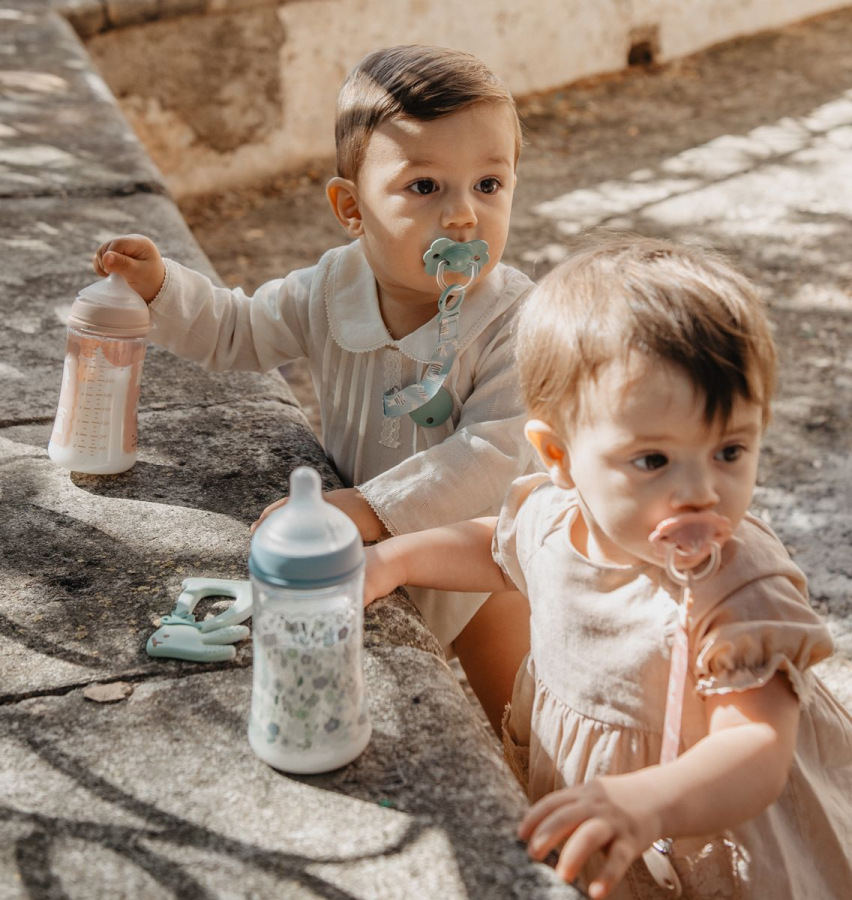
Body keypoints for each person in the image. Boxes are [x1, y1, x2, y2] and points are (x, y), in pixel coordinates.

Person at [363, 235, 852, 899]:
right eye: (653, 460)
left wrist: (648, 800)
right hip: (602, 815)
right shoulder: (554, 519)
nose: (700, 491)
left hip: (715, 831)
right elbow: (495, 548)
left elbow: (758, 745)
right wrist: (391, 560)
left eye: (730, 451)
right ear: (559, 458)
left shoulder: (738, 583)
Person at [92, 45, 534, 733]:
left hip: (483, 560)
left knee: (518, 716)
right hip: (365, 541)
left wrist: (367, 507)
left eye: (488, 184)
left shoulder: (515, 320)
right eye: (425, 186)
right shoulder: (331, 288)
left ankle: (554, 789)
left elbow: (494, 453)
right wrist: (161, 288)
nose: (463, 216)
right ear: (351, 208)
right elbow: (237, 330)